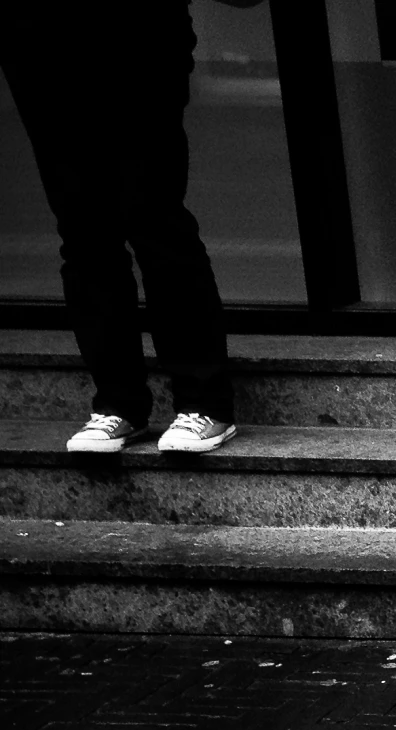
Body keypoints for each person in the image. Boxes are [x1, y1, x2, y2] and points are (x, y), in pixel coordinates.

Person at [1, 2, 240, 455]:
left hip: (135, 27)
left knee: (152, 214)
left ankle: (204, 401)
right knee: (82, 227)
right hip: (37, 34)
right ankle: (118, 404)